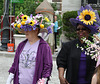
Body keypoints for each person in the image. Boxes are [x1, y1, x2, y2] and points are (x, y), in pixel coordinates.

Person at [56, 4, 100, 84]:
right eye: (78, 29)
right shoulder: (68, 46)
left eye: (84, 29)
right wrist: (61, 76)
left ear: (89, 31)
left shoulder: (96, 47)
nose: (80, 31)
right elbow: (61, 61)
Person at [6, 13, 53, 84]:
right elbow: (15, 63)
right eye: (25, 29)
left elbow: (48, 66)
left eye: (28, 28)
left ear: (36, 30)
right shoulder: (21, 45)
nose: (26, 31)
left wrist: (44, 79)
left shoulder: (44, 46)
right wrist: (11, 76)